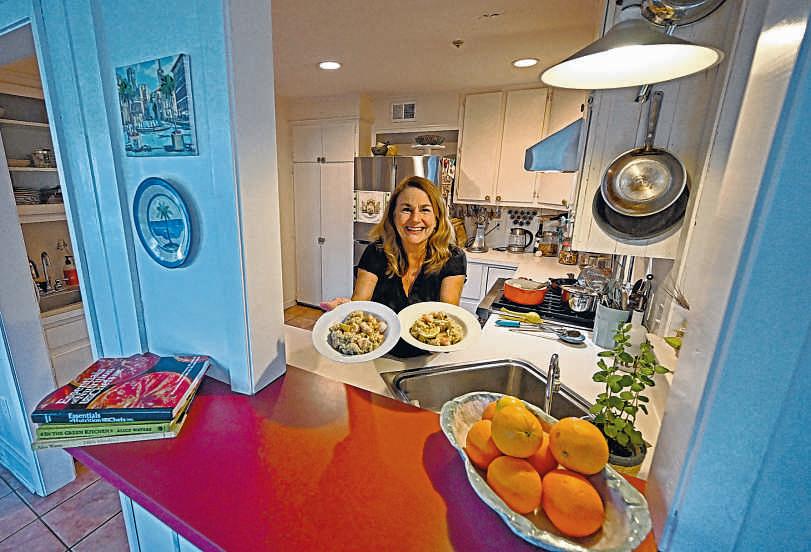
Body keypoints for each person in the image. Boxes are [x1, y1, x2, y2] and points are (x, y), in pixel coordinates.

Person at [323, 175, 466, 357]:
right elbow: (360, 305)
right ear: (393, 215)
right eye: (406, 209)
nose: (415, 219)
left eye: (425, 210)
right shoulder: (375, 253)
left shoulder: (453, 258)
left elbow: (448, 318)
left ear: (437, 217)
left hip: (426, 358)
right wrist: (346, 310)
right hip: (379, 354)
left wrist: (443, 341)